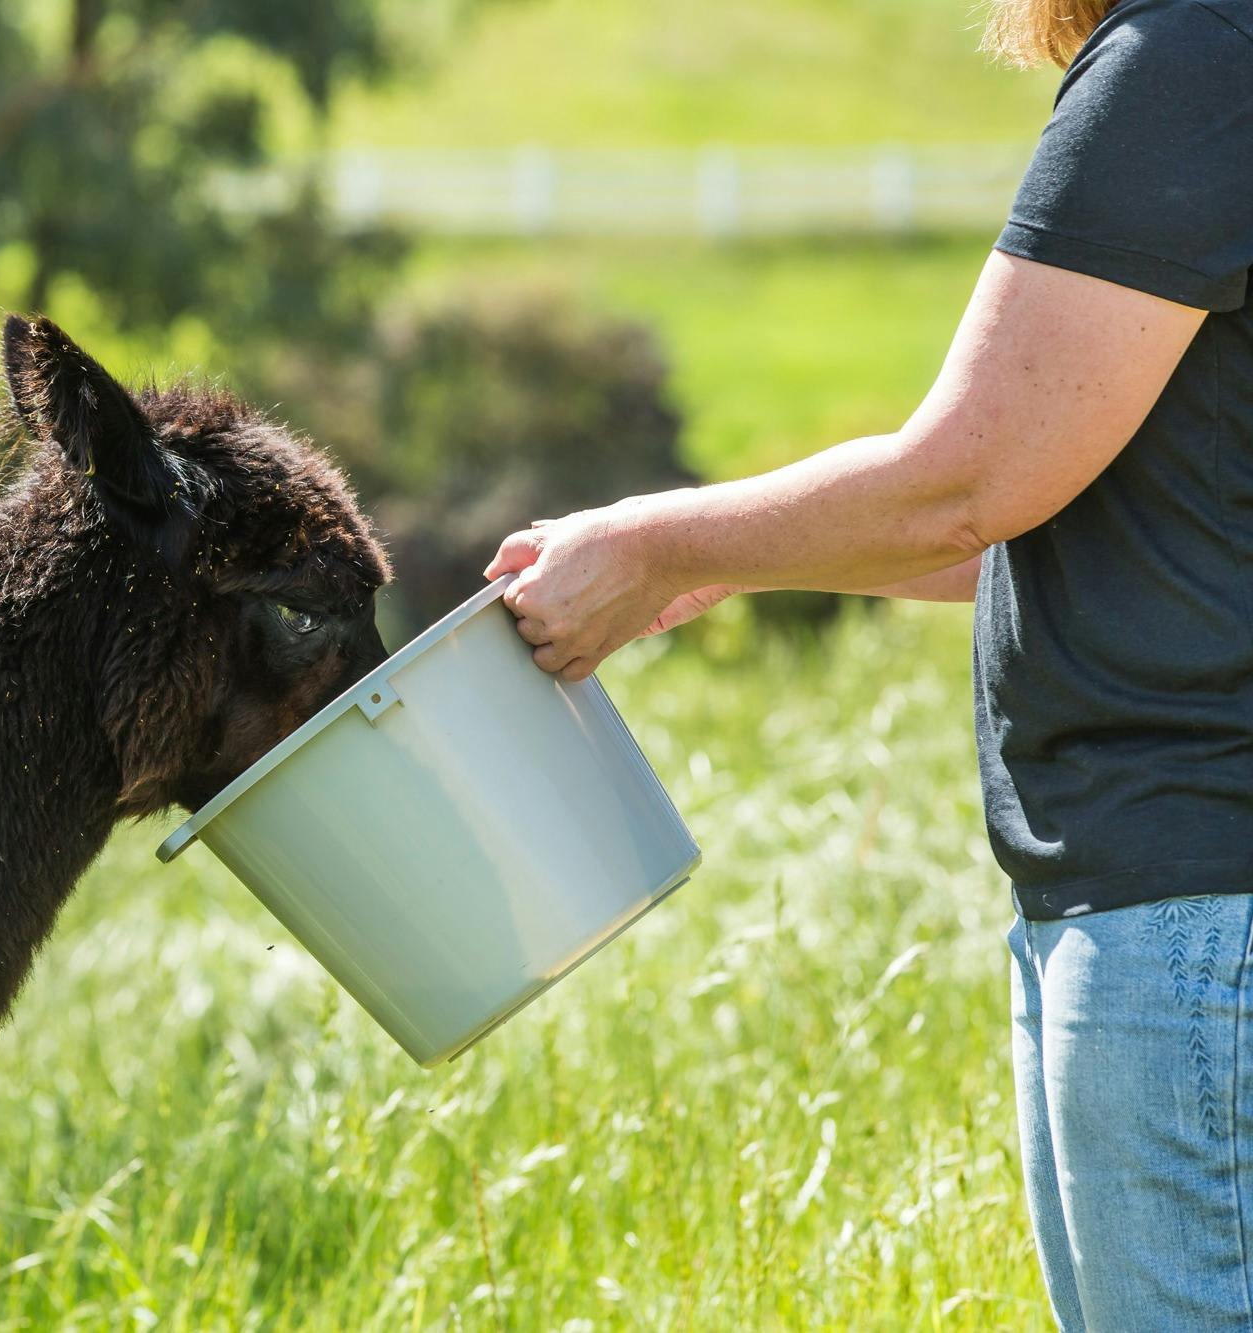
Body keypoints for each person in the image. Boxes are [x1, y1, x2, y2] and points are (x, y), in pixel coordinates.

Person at [484, 1, 1253, 1326]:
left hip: (1191, 914)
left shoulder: (1188, 60)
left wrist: (653, 545)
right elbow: (1043, 513)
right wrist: (730, 552)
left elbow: (971, 481)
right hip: (1162, 908)